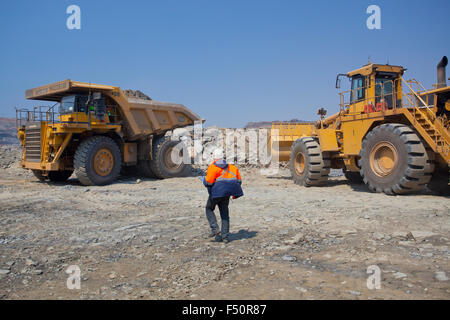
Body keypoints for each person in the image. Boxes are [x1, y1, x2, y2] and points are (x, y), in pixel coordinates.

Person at [202, 149, 243, 243]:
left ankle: (215, 229)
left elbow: (209, 182)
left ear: (214, 158)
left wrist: (203, 180)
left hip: (216, 194)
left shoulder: (212, 167)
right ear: (223, 157)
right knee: (224, 214)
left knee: (209, 208)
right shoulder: (233, 168)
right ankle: (225, 237)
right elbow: (239, 181)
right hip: (226, 195)